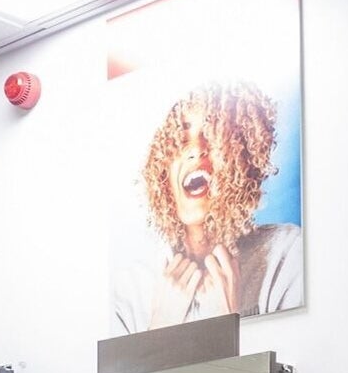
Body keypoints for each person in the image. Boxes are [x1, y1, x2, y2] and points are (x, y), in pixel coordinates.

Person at [113, 82, 303, 331]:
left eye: (214, 135)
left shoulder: (287, 255)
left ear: (243, 157)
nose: (195, 150)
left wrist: (227, 320)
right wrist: (160, 327)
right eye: (180, 139)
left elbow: (299, 361)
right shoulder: (130, 290)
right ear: (160, 168)